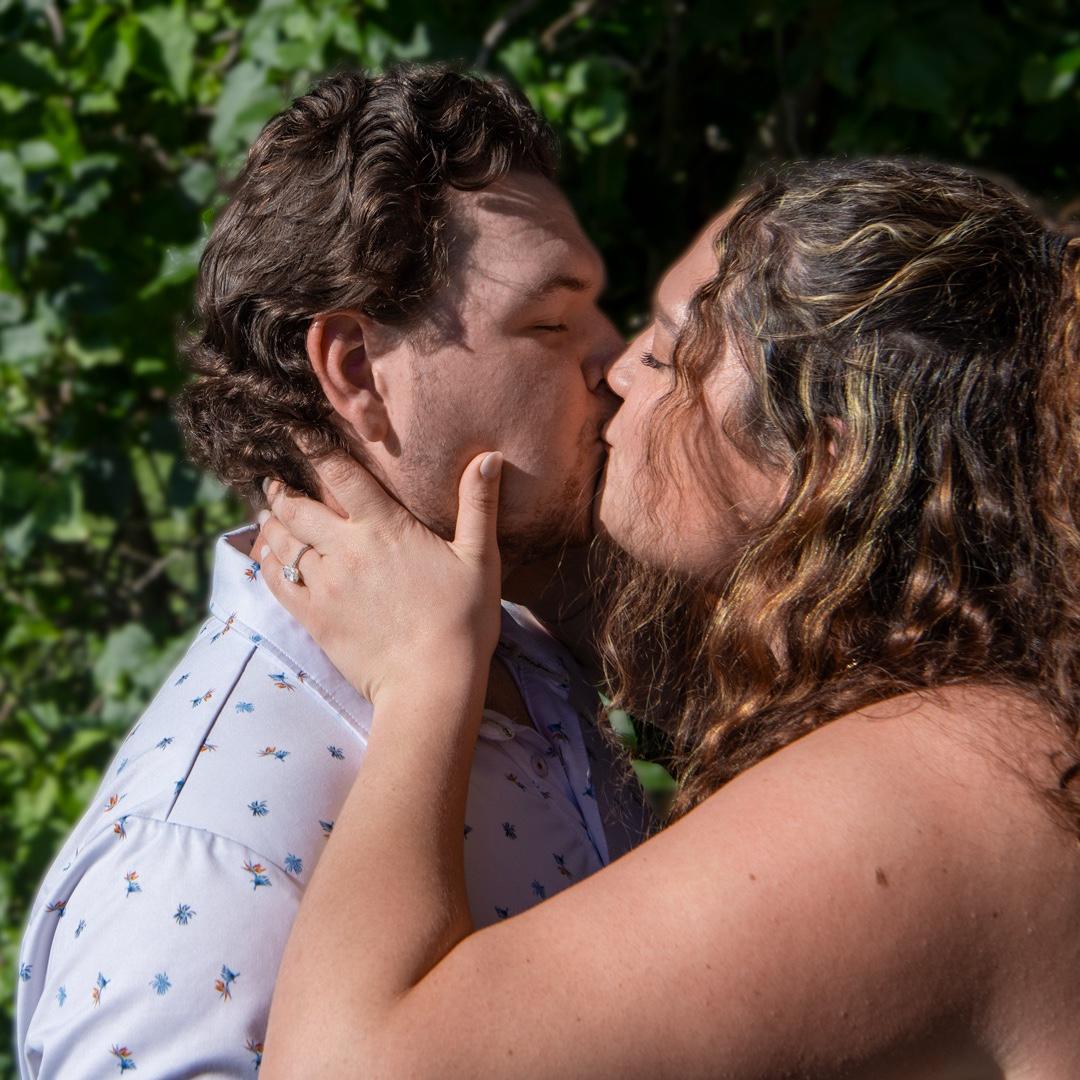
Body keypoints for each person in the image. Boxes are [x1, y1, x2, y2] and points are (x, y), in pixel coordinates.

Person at [254, 159, 1080, 1077]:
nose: (615, 371)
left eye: (668, 351)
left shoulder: (930, 791)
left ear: (821, 466)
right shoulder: (989, 712)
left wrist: (421, 672)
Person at [14, 66, 643, 1079]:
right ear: (355, 369)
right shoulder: (201, 853)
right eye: (550, 321)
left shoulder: (521, 650)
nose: (617, 360)